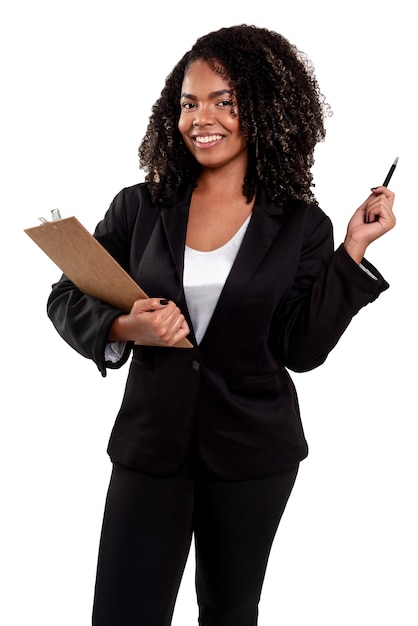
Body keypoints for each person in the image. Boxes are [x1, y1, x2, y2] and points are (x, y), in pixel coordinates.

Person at [46, 24, 396, 626]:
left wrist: (352, 252)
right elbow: (65, 296)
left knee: (230, 613)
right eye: (189, 102)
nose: (201, 117)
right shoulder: (141, 205)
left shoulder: (300, 225)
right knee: (123, 612)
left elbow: (299, 346)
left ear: (262, 107)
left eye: (224, 101)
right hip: (152, 443)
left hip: (253, 449)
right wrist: (128, 328)